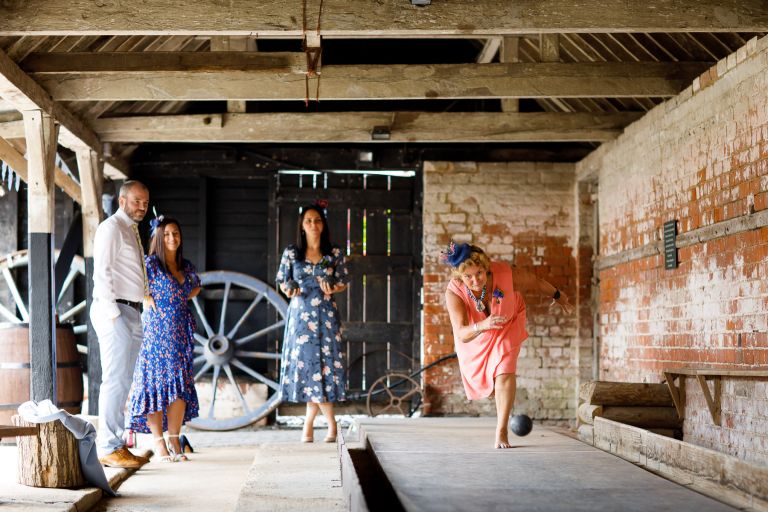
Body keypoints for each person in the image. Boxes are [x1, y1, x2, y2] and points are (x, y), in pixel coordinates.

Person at [442, 241, 573, 449]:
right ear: (459, 276)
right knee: (490, 379)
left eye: (480, 273)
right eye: (468, 276)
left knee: (504, 371)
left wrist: (559, 296)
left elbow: (536, 281)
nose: (475, 280)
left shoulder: (504, 274)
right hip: (476, 333)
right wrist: (483, 325)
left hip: (508, 319)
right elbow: (461, 333)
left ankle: (501, 430)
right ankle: (498, 392)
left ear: (487, 268)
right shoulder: (454, 292)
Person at [127, 216, 201, 462]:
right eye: (167, 234)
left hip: (180, 332)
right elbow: (134, 286)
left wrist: (180, 300)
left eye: (176, 233)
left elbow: (196, 286)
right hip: (157, 333)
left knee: (179, 388)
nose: (172, 238)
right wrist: (146, 298)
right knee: (156, 386)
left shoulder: (185, 266)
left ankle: (175, 440)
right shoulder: (150, 265)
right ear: (158, 238)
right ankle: (158, 443)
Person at [276, 203, 349, 443]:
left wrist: (333, 287)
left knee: (325, 369)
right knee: (309, 370)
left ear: (323, 224)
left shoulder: (334, 253)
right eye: (308, 220)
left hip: (326, 316)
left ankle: (311, 425)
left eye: (317, 220)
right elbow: (282, 282)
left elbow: (343, 282)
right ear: (302, 225)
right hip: (300, 318)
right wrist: (289, 290)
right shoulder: (292, 253)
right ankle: (328, 424)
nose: (313, 224)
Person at [90, 180, 151, 468]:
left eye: (145, 202)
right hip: (115, 310)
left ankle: (117, 444)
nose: (142, 207)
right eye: (137, 201)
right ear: (122, 200)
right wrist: (113, 315)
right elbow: (100, 272)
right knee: (114, 379)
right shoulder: (111, 227)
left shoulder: (131, 230)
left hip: (132, 310)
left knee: (124, 380)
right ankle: (108, 446)